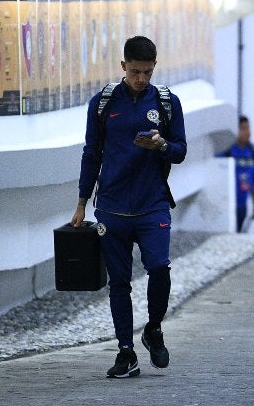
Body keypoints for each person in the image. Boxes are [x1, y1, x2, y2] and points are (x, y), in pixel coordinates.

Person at [71, 35, 187, 378]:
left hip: (152, 205)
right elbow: (91, 154)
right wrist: (81, 203)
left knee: (159, 268)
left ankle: (153, 328)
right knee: (119, 282)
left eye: (148, 72)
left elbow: (180, 151)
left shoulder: (166, 102)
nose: (141, 79)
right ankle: (126, 352)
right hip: (111, 206)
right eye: (136, 71)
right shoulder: (103, 103)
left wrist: (161, 144)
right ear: (123, 66)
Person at [220, 115, 254, 232]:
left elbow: (253, 180)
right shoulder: (227, 150)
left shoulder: (253, 152)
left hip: (242, 205)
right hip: (227, 205)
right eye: (243, 128)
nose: (247, 132)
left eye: (248, 128)